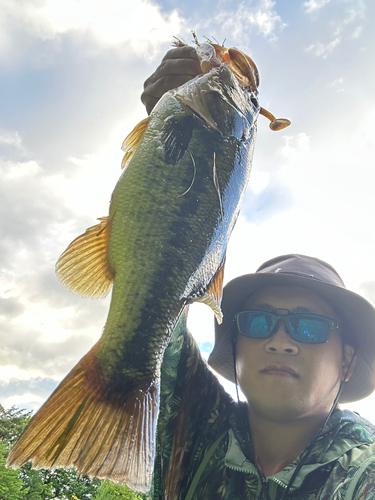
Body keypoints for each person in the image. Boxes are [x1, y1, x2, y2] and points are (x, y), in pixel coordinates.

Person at [141, 48, 375, 500]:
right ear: (235, 345)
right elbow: (153, 294)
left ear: (346, 361)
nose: (280, 340)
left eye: (308, 326)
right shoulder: (190, 427)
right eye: (259, 321)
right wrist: (173, 135)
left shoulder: (363, 473)